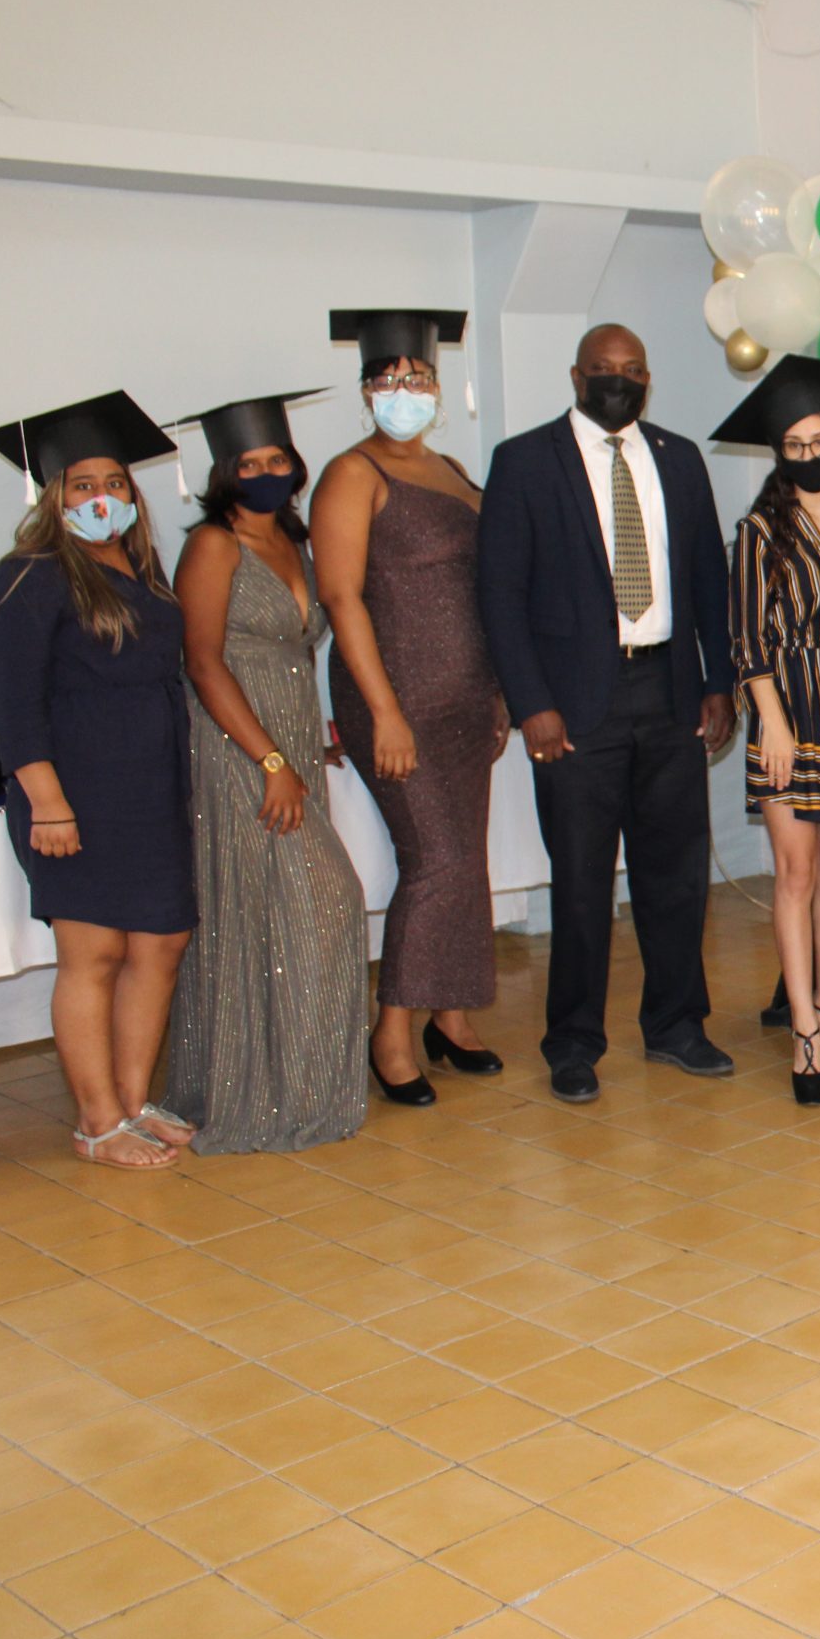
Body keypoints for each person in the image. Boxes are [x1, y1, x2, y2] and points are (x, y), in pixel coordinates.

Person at [479, 323, 738, 1103]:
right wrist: (532, 704)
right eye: (602, 369)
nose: (617, 381)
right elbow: (500, 596)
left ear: (648, 379)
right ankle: (573, 1042)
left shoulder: (678, 458)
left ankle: (677, 1025)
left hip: (669, 690)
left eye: (632, 369)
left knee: (677, 875)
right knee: (583, 881)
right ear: (576, 376)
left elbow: (709, 577)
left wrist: (717, 680)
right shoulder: (525, 461)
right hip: (573, 705)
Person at [0, 393, 196, 1168]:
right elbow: (13, 702)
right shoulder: (29, 577)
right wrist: (48, 802)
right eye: (82, 485)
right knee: (94, 953)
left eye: (114, 482)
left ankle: (132, 1101)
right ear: (53, 496)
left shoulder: (142, 568)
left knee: (161, 942)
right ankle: (97, 1122)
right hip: (73, 796)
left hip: (152, 790)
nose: (102, 497)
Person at [166, 391, 370, 1153]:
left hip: (289, 743)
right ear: (223, 473)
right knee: (326, 901)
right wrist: (271, 758)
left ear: (294, 464)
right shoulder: (213, 545)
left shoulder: (295, 539)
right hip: (238, 749)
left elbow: (293, 652)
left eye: (275, 459)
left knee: (279, 915)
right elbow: (203, 662)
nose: (263, 473)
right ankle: (272, 1089)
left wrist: (311, 738)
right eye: (247, 464)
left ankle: (289, 1082)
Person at [313, 309, 504, 1105]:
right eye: (389, 379)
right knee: (436, 860)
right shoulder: (351, 474)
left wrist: (497, 691)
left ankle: (450, 1017)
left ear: (437, 388)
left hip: (466, 695)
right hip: (396, 698)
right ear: (367, 391)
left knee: (467, 856)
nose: (405, 390)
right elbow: (341, 596)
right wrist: (384, 711)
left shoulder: (452, 468)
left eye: (418, 377)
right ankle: (390, 1032)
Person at [717, 357, 820, 1105]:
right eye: (796, 445)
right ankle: (803, 1031)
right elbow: (747, 640)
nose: (811, 455)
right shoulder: (761, 532)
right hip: (786, 712)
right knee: (795, 872)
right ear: (779, 454)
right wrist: (773, 725)